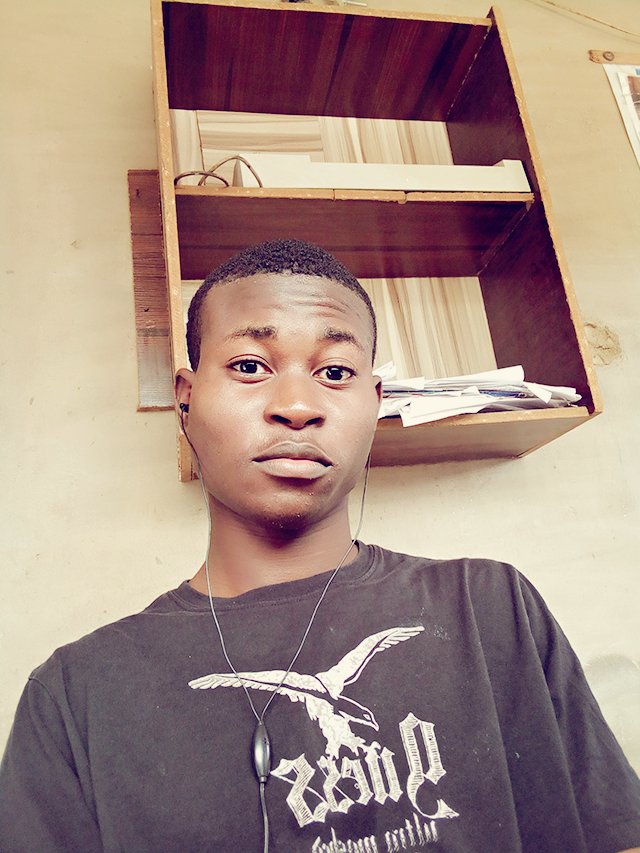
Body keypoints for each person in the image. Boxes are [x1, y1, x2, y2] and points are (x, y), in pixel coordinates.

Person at [1, 239, 639, 853]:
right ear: (186, 400)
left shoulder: (489, 607)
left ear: (375, 404)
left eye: (335, 372)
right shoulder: (76, 693)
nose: (298, 406)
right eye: (249, 366)